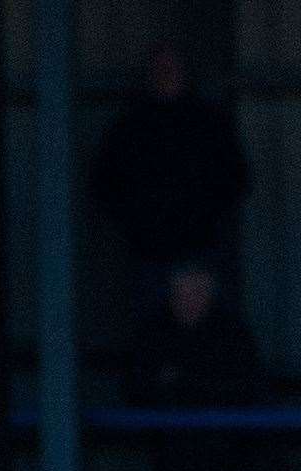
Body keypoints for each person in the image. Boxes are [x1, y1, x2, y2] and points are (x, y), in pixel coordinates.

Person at [122, 263, 263, 471]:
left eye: (197, 292)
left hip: (226, 468)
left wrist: (183, 383)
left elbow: (245, 389)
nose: (190, 300)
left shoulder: (231, 333)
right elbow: (137, 388)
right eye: (182, 293)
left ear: (210, 292)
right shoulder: (154, 333)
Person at [90, 43, 250, 311]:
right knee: (153, 328)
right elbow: (105, 182)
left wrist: (206, 216)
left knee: (205, 327)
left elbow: (235, 176)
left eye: (171, 68)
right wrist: (138, 222)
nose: (166, 75)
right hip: (149, 253)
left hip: (201, 249)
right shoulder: (131, 127)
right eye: (160, 69)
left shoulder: (208, 124)